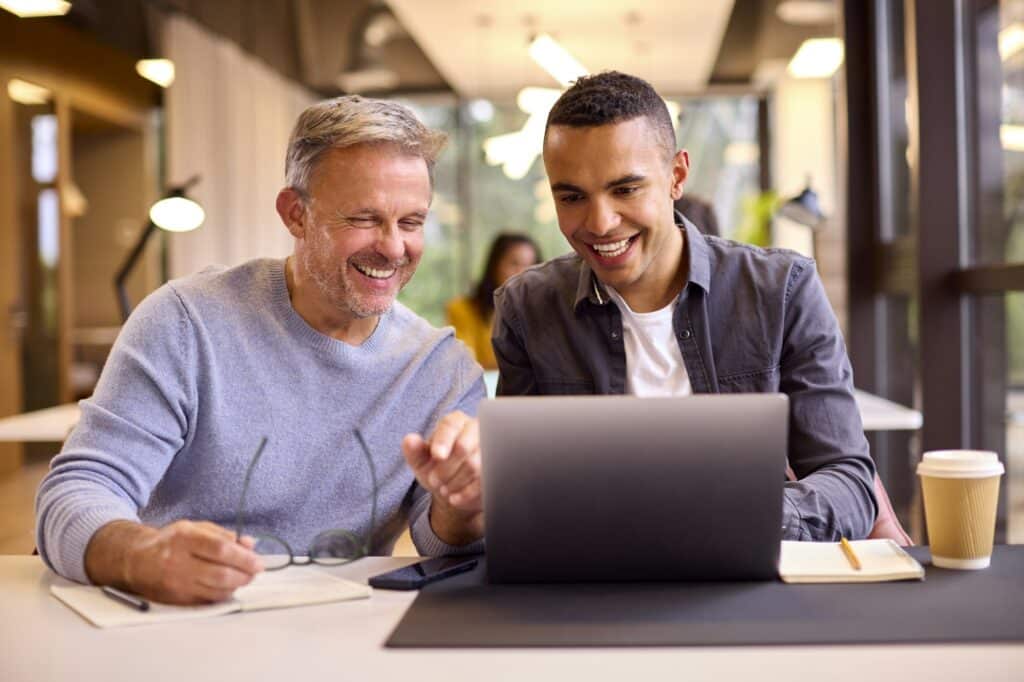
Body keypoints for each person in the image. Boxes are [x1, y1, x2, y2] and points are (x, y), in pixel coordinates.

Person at [35, 96, 486, 604]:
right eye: (365, 218)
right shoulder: (185, 322)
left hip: (341, 635)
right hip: (177, 623)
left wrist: (464, 502)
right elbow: (73, 493)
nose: (393, 248)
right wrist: (142, 556)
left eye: (411, 222)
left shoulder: (440, 368)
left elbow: (441, 541)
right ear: (296, 214)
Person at [491, 71, 877, 542]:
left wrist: (742, 515)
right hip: (593, 580)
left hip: (747, 573)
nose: (600, 222)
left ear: (676, 176)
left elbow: (849, 481)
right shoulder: (526, 308)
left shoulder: (782, 291)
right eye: (572, 196)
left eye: (625, 189)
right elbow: (516, 486)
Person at [446, 233, 541, 369]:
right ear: (494, 265)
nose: (522, 273)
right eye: (514, 263)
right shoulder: (462, 308)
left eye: (530, 266)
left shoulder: (543, 312)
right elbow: (464, 363)